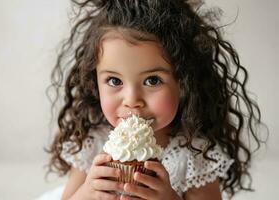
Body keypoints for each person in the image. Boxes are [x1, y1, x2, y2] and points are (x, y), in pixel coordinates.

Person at [46, 0, 265, 199]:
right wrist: (88, 192)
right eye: (114, 81)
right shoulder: (94, 142)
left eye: (152, 80)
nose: (132, 100)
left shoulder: (195, 155)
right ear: (95, 81)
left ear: (184, 83)